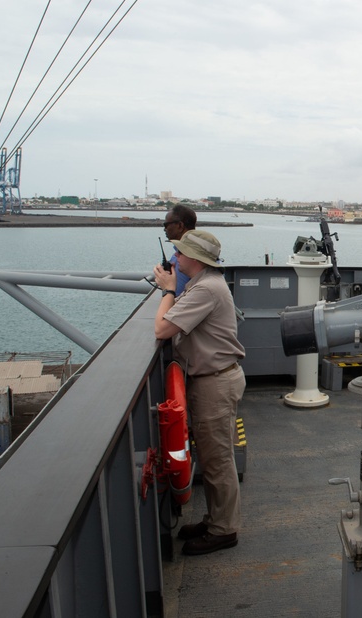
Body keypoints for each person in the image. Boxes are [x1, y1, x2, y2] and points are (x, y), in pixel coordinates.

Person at [153, 229, 246, 555]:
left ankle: (225, 530)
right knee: (211, 456)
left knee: (217, 460)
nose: (175, 258)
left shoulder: (206, 289)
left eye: (180, 253)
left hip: (214, 383)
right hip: (212, 380)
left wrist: (167, 289)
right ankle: (216, 519)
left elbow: (162, 328)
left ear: (194, 258)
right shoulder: (203, 285)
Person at [163, 203, 198, 295]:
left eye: (166, 225)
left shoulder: (186, 260)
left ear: (180, 226)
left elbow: (174, 296)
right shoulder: (200, 251)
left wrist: (165, 284)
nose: (164, 229)